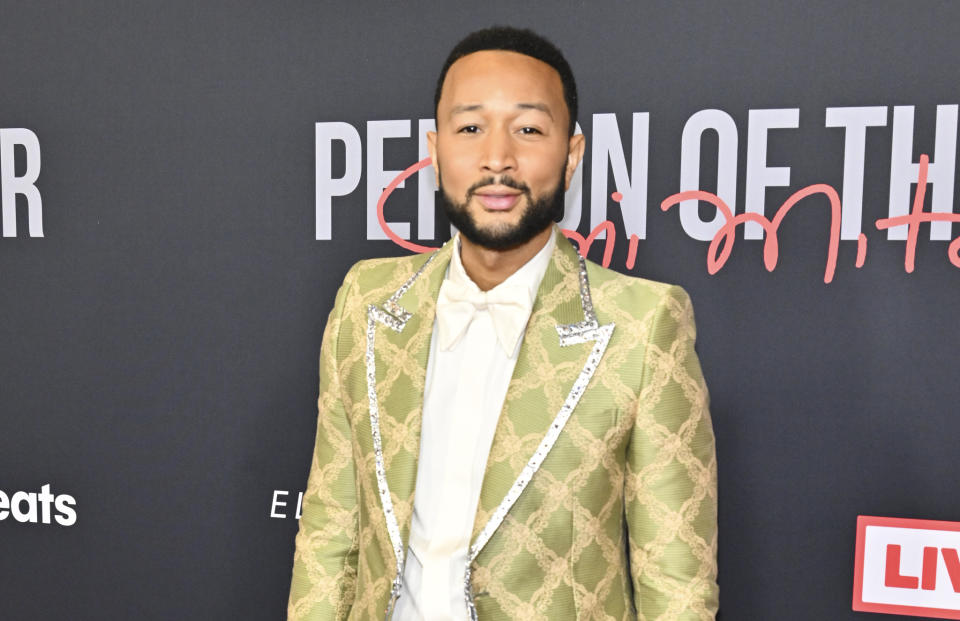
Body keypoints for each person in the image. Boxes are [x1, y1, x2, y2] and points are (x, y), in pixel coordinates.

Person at [288, 26, 718, 621]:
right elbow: (330, 534)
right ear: (435, 152)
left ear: (571, 156)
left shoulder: (642, 326)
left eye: (529, 129)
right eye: (470, 128)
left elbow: (678, 585)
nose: (497, 158)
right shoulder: (366, 301)